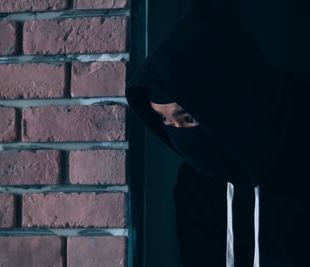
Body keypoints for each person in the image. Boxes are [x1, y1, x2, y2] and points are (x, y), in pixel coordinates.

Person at [125, 0, 310, 266]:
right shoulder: (195, 182)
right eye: (165, 120)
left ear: (225, 105)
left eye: (188, 118)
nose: (179, 133)